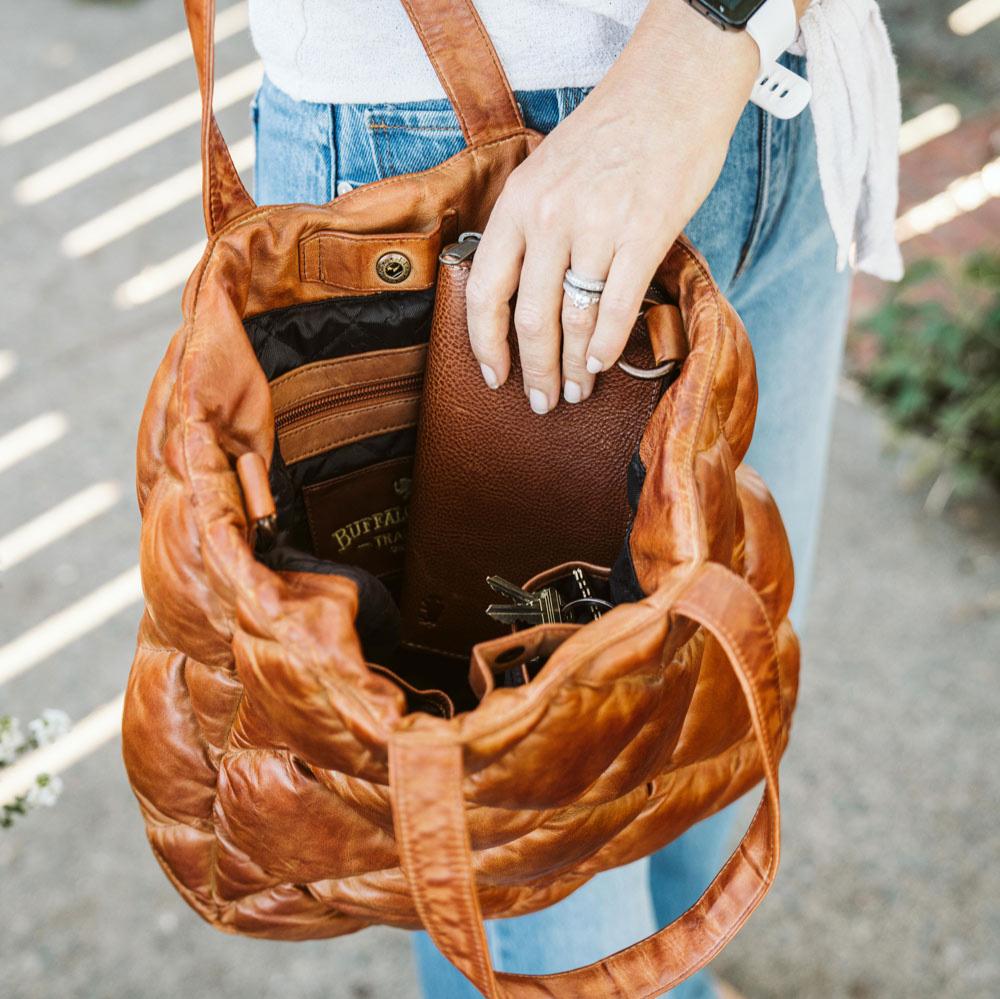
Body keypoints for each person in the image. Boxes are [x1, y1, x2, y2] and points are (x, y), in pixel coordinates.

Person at [247, 0, 902, 995]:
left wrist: (706, 49)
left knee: (724, 700)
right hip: (475, 132)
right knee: (545, 851)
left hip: (774, 84)